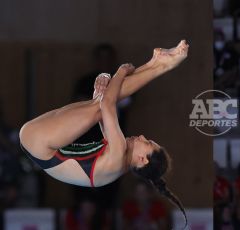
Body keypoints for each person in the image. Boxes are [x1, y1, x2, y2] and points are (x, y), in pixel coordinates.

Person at [19, 40, 189, 225]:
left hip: (40, 144)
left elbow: (107, 105)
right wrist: (106, 84)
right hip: (38, 145)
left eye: (146, 142)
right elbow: (104, 108)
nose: (141, 136)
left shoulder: (118, 157)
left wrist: (119, 72)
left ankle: (161, 66)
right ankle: (157, 64)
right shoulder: (119, 160)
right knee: (97, 106)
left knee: (99, 106)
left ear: (142, 159)